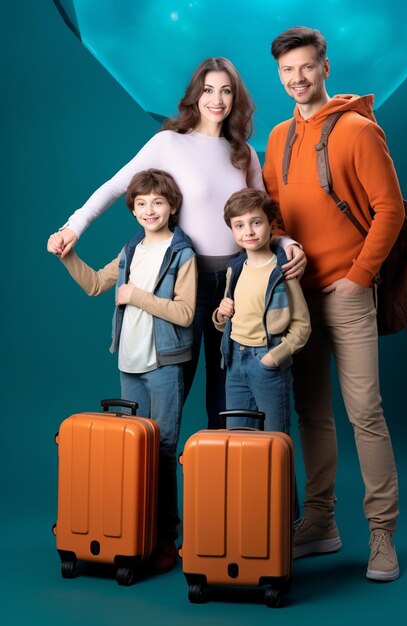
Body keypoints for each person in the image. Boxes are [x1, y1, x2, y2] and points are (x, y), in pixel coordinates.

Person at [47, 57, 306, 429]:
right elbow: (115, 186)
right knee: (171, 389)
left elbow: (264, 214)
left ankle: (224, 479)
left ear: (236, 98)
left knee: (229, 391)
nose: (217, 99)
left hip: (237, 280)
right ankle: (155, 476)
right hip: (184, 279)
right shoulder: (168, 143)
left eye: (226, 91)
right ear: (195, 96)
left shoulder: (243, 152)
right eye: (208, 90)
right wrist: (74, 227)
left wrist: (288, 242)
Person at [263, 26, 405, 581]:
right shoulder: (277, 137)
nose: (296, 79)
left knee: (364, 413)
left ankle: (382, 535)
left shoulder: (357, 130)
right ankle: (320, 523)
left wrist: (358, 277)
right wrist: (283, 241)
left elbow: (389, 209)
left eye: (305, 67)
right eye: (286, 72)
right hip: (296, 294)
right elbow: (272, 208)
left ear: (325, 66)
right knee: (311, 413)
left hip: (347, 293)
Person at [48, 169, 197, 574]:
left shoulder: (183, 254)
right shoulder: (131, 251)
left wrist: (139, 297)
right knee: (133, 450)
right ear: (132, 210)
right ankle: (136, 530)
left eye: (158, 202)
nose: (150, 210)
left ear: (172, 207)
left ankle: (167, 537)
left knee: (164, 451)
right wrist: (68, 257)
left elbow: (185, 312)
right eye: (142, 203)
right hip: (128, 363)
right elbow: (96, 284)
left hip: (164, 364)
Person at [213, 188, 311, 432]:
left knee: (275, 440)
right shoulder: (233, 270)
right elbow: (226, 321)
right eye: (239, 225)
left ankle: (279, 473)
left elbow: (302, 326)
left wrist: (273, 358)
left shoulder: (283, 272)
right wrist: (220, 314)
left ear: (272, 224)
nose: (248, 231)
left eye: (256, 222)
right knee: (236, 438)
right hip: (235, 360)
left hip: (267, 361)